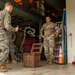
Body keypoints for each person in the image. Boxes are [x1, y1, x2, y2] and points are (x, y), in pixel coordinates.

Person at [0, 2, 18, 72]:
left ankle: (3, 65)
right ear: (10, 7)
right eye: (11, 9)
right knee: (5, 49)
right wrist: (14, 29)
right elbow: (7, 26)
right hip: (1, 33)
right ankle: (0, 65)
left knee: (1, 49)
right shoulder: (6, 14)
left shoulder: (0, 13)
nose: (11, 10)